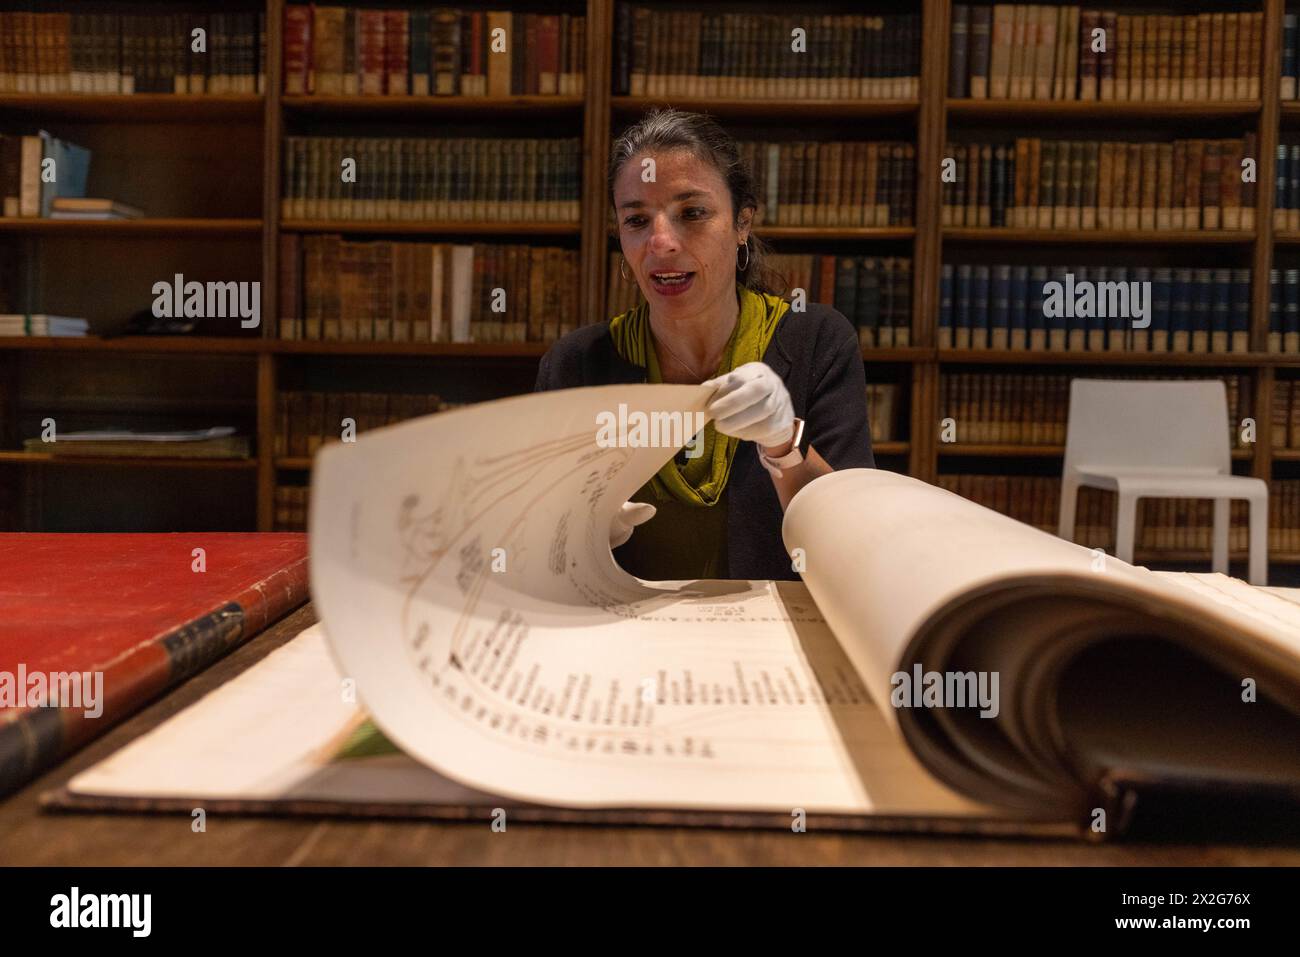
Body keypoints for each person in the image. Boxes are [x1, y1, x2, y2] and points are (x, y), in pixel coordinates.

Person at [534, 108, 875, 581]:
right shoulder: (575, 366)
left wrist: (784, 444)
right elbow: (535, 558)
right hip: (623, 641)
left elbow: (854, 537)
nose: (661, 242)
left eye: (692, 213)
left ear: (742, 224)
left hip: (775, 636)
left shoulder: (818, 341)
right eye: (636, 219)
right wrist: (575, 534)